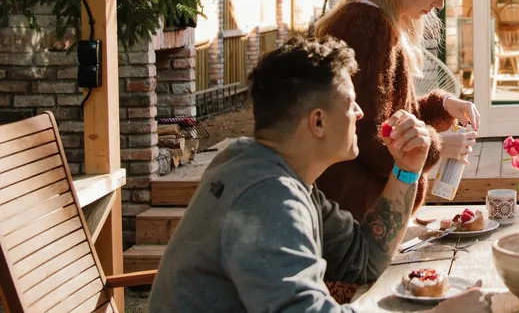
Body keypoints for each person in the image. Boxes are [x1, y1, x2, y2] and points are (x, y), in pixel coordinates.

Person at [149, 38, 488, 313]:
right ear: (318, 122)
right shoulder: (269, 199)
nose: (360, 113)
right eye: (350, 103)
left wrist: (407, 169)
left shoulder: (267, 170)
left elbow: (364, 258)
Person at [314, 0, 479, 221]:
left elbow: (394, 113)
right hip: (357, 216)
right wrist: (438, 146)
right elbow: (371, 141)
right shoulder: (369, 28)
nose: (439, 3)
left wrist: (442, 105)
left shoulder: (372, 21)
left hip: (359, 211)